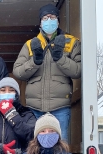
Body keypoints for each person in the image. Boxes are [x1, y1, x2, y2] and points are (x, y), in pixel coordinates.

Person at [13, 4, 81, 142]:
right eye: (45, 17)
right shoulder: (30, 44)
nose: (49, 20)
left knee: (61, 147)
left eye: (52, 17)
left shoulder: (72, 42)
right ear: (40, 22)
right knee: (34, 148)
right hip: (34, 108)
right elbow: (18, 72)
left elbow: (78, 71)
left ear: (58, 20)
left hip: (60, 108)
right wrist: (35, 62)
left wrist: (60, 58)